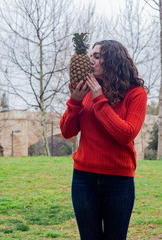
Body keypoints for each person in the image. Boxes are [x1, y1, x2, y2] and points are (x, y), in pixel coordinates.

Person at [60, 40, 148, 240]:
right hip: (84, 179)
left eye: (97, 56)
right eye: (91, 56)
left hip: (119, 180)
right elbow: (67, 132)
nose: (91, 61)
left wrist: (100, 99)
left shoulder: (136, 94)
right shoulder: (86, 92)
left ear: (113, 61)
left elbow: (125, 134)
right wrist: (74, 101)